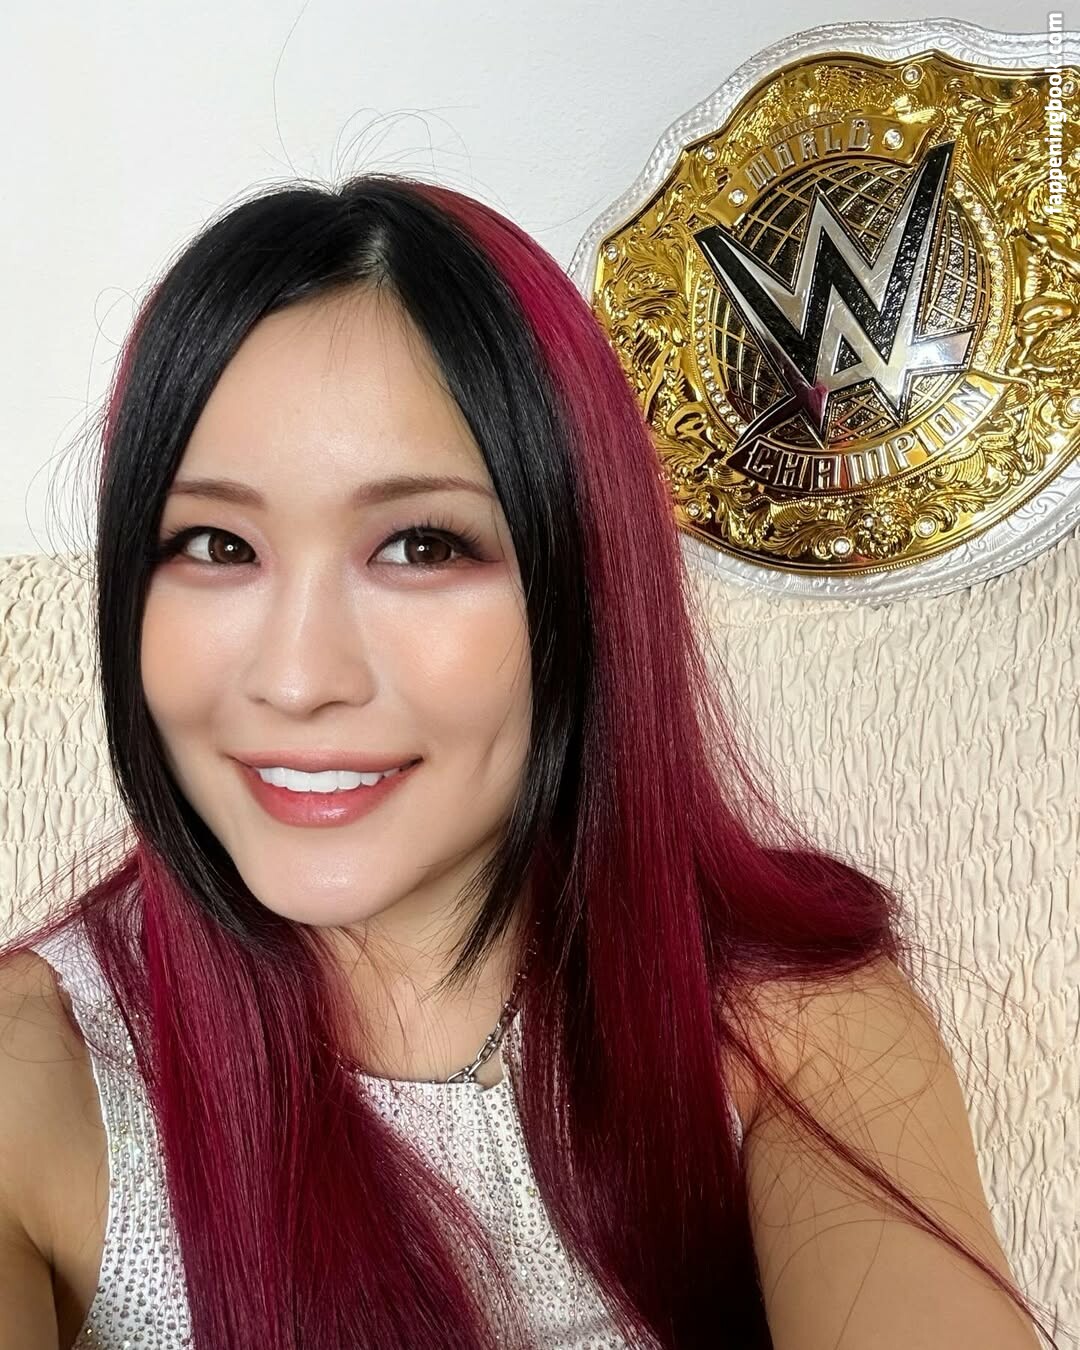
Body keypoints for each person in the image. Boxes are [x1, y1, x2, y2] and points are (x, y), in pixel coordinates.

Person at [0, 174, 1055, 1350]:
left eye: (420, 546)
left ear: (583, 590)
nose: (296, 679)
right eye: (214, 544)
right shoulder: (31, 1074)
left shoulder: (793, 1022)